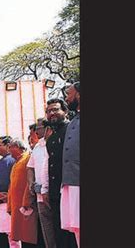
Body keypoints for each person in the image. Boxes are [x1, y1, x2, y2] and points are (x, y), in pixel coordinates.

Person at [45, 99, 77, 248]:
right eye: (49, 111)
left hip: (71, 187)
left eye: (55, 109)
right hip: (55, 190)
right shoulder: (50, 139)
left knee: (73, 228)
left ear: (65, 111)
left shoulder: (72, 130)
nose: (52, 113)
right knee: (59, 228)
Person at [27, 118, 56, 248]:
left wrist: (46, 188)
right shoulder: (37, 147)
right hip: (39, 194)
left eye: (38, 128)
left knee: (58, 225)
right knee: (47, 228)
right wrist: (30, 183)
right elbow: (30, 167)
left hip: (52, 192)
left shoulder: (53, 143)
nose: (36, 131)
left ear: (47, 128)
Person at [6, 138, 38, 247]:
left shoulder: (27, 159)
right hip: (16, 206)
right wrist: (9, 205)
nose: (9, 149)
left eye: (11, 147)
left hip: (26, 205)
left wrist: (26, 202)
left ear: (20, 148)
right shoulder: (16, 163)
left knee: (29, 234)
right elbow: (11, 186)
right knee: (21, 236)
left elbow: (28, 182)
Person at [0, 136, 19, 248]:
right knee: (8, 233)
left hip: (14, 202)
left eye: (0, 145)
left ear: (8, 146)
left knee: (15, 234)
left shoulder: (16, 160)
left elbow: (18, 180)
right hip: (2, 202)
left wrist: (10, 195)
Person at [61, 82, 80, 247]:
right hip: (71, 182)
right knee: (77, 228)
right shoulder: (74, 120)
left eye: (69, 94)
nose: (67, 98)